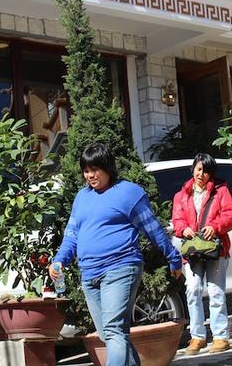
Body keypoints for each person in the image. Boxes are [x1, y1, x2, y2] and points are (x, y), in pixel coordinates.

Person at [50, 143, 183, 366]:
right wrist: (59, 260)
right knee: (109, 334)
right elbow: (72, 234)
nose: (90, 175)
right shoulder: (81, 198)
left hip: (121, 267)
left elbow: (152, 228)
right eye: (86, 170)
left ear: (108, 168)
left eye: (95, 169)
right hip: (89, 274)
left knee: (114, 330)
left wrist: (173, 257)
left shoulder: (129, 193)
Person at [171, 153, 232, 355]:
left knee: (216, 292)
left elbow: (230, 215)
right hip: (192, 251)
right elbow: (177, 220)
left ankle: (220, 337)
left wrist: (215, 226)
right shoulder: (181, 195)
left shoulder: (221, 191)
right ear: (193, 169)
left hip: (216, 249)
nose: (202, 174)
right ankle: (197, 337)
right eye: (199, 169)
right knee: (192, 290)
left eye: (206, 171)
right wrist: (184, 230)